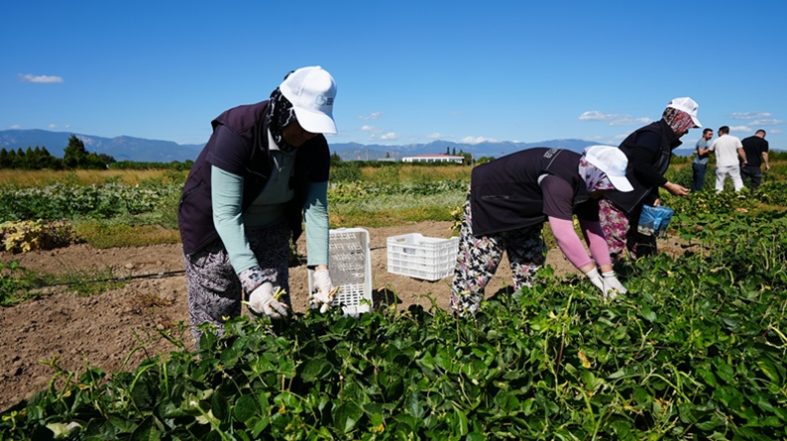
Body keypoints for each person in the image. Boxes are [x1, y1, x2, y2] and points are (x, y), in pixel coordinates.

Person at [178, 66, 338, 342]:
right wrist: (252, 280)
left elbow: (316, 211)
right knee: (218, 315)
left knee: (274, 310)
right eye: (301, 123)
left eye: (314, 127)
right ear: (283, 108)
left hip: (271, 226)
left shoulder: (315, 146)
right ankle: (217, 378)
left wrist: (320, 271)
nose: (307, 134)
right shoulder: (238, 130)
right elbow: (226, 214)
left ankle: (274, 377)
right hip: (213, 230)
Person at [450, 145, 634, 316]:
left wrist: (609, 274)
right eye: (606, 185)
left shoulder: (588, 181)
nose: (607, 192)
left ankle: (524, 318)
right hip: (490, 199)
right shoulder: (559, 181)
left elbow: (593, 229)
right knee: (476, 270)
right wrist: (596, 279)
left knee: (530, 269)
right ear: (596, 174)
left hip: (524, 209)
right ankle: (459, 323)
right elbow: (563, 235)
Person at [598, 97, 698, 260]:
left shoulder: (664, 140)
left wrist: (654, 195)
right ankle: (603, 280)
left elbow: (650, 172)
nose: (687, 131)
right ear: (679, 119)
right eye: (688, 126)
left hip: (640, 199)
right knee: (612, 245)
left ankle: (646, 277)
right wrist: (668, 185)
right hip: (618, 199)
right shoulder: (652, 134)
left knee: (646, 242)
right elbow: (640, 165)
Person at [708, 126, 746, 192]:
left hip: (721, 164)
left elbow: (710, 150)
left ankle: (718, 196)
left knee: (720, 182)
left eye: (718, 132)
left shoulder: (717, 140)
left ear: (721, 131)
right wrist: (745, 160)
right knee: (737, 180)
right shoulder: (735, 139)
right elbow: (741, 150)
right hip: (734, 163)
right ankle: (740, 195)